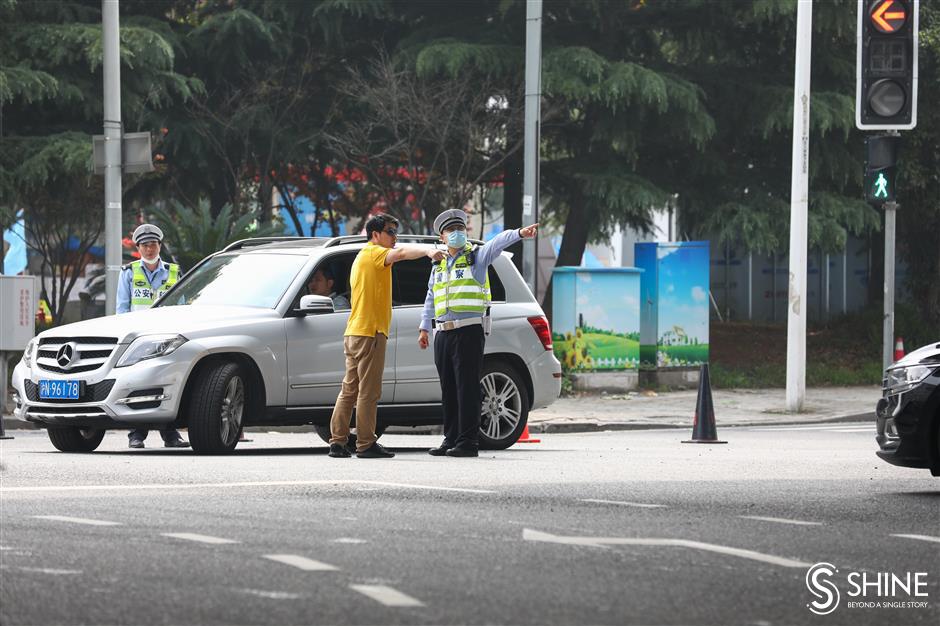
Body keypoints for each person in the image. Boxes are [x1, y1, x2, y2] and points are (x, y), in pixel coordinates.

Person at [419, 210, 538, 457]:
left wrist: (519, 233)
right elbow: (431, 295)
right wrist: (424, 327)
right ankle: (450, 438)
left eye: (460, 229)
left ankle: (468, 441)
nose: (457, 234)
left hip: (468, 331)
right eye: (451, 230)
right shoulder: (438, 263)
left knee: (467, 388)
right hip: (443, 333)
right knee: (449, 388)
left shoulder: (477, 257)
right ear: (441, 236)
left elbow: (498, 242)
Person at [328, 214, 445, 459]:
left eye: (395, 232)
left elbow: (398, 252)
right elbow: (401, 254)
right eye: (390, 232)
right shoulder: (374, 254)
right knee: (368, 393)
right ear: (375, 235)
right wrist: (427, 251)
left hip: (354, 332)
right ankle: (365, 443)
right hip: (370, 333)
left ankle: (338, 442)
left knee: (349, 389)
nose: (394, 237)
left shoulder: (362, 257)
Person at [116, 223, 190, 450]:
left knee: (167, 383)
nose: (150, 249)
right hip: (138, 340)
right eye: (145, 245)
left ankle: (170, 434)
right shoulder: (128, 272)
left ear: (160, 246)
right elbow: (122, 309)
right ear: (138, 248)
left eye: (154, 244)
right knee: (137, 384)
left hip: (167, 337)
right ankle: (136, 434)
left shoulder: (175, 272)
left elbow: (183, 305)